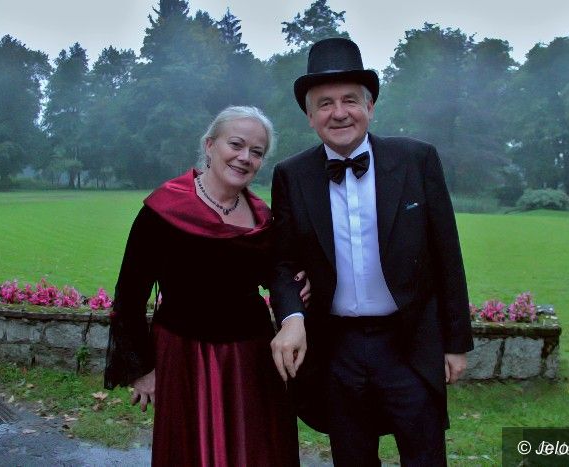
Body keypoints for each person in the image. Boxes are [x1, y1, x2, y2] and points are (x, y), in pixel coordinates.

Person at [269, 38, 474, 466]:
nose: (339, 112)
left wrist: (456, 344)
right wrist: (291, 317)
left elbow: (447, 256)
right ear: (309, 116)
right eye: (324, 104)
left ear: (370, 107)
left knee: (425, 457)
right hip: (336, 348)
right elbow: (283, 262)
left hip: (409, 344)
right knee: (353, 459)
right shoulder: (291, 174)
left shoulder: (417, 159)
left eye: (350, 100)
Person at [104, 106, 307, 466]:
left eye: (256, 152)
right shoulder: (164, 209)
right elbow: (130, 294)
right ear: (210, 145)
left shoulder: (263, 218)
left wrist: (305, 281)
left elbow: (278, 274)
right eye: (236, 145)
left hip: (250, 360)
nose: (245, 157)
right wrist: (142, 370)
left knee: (256, 451)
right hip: (185, 356)